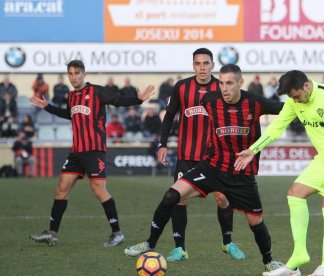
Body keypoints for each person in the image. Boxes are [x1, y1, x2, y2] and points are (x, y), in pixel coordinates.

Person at [125, 64, 285, 274]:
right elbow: (176, 110)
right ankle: (150, 243)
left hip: (241, 174)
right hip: (212, 167)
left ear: (240, 83)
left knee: (255, 221)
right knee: (172, 195)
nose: (224, 88)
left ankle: (269, 261)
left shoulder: (255, 103)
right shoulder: (210, 100)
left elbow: (288, 110)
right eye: (221, 83)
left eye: (229, 83)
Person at [235, 70, 324, 276]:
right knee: (295, 193)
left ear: (306, 86)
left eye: (296, 96)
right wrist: (253, 149)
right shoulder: (295, 102)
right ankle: (298, 258)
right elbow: (276, 127)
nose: (295, 101)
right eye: (291, 98)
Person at [29, 60, 155, 247]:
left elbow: (118, 101)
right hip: (76, 151)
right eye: (70, 73)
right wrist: (46, 106)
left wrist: (138, 100)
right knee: (61, 189)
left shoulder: (97, 91)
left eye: (77, 73)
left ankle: (117, 233)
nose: (74, 77)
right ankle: (52, 233)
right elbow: (69, 114)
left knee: (98, 190)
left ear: (84, 74)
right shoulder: (71, 96)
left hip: (93, 150)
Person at [155, 48, 245, 262]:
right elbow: (168, 117)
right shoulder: (182, 87)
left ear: (213, 65)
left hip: (215, 156)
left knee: (222, 198)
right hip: (187, 154)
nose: (202, 67)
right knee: (179, 200)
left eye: (206, 63)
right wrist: (163, 143)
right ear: (193, 65)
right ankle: (180, 248)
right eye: (198, 63)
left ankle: (227, 242)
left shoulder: (221, 86)